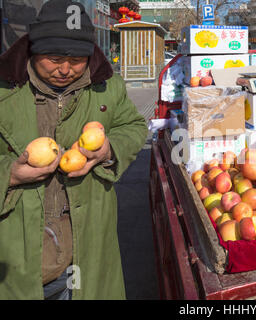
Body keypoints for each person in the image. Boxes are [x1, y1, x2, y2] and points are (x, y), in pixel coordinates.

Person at [0, 0, 148, 299]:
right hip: (19, 254)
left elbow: (133, 127)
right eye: (53, 59)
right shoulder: (6, 90)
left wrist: (108, 150)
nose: (65, 70)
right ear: (33, 49)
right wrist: (11, 174)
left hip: (86, 248)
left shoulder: (106, 87)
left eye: (77, 59)